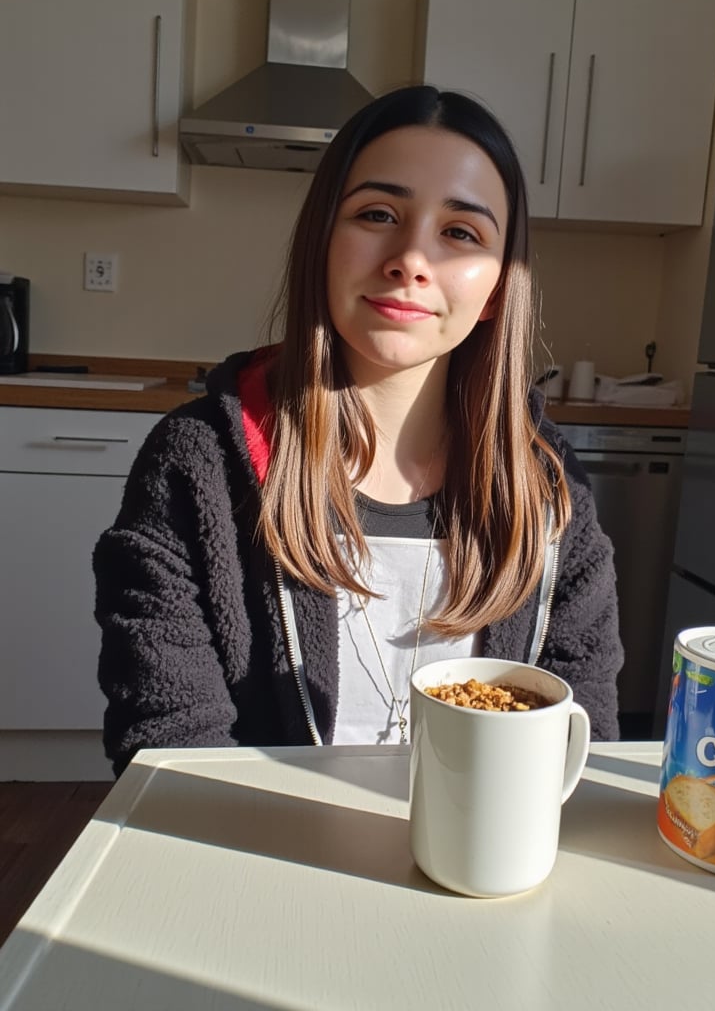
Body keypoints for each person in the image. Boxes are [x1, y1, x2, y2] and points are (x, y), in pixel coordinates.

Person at [94, 85, 623, 776]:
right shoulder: (196, 467)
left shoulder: (551, 494)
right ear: (322, 242)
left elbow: (584, 738)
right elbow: (170, 749)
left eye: (461, 232)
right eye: (378, 214)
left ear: (497, 287)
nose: (411, 258)